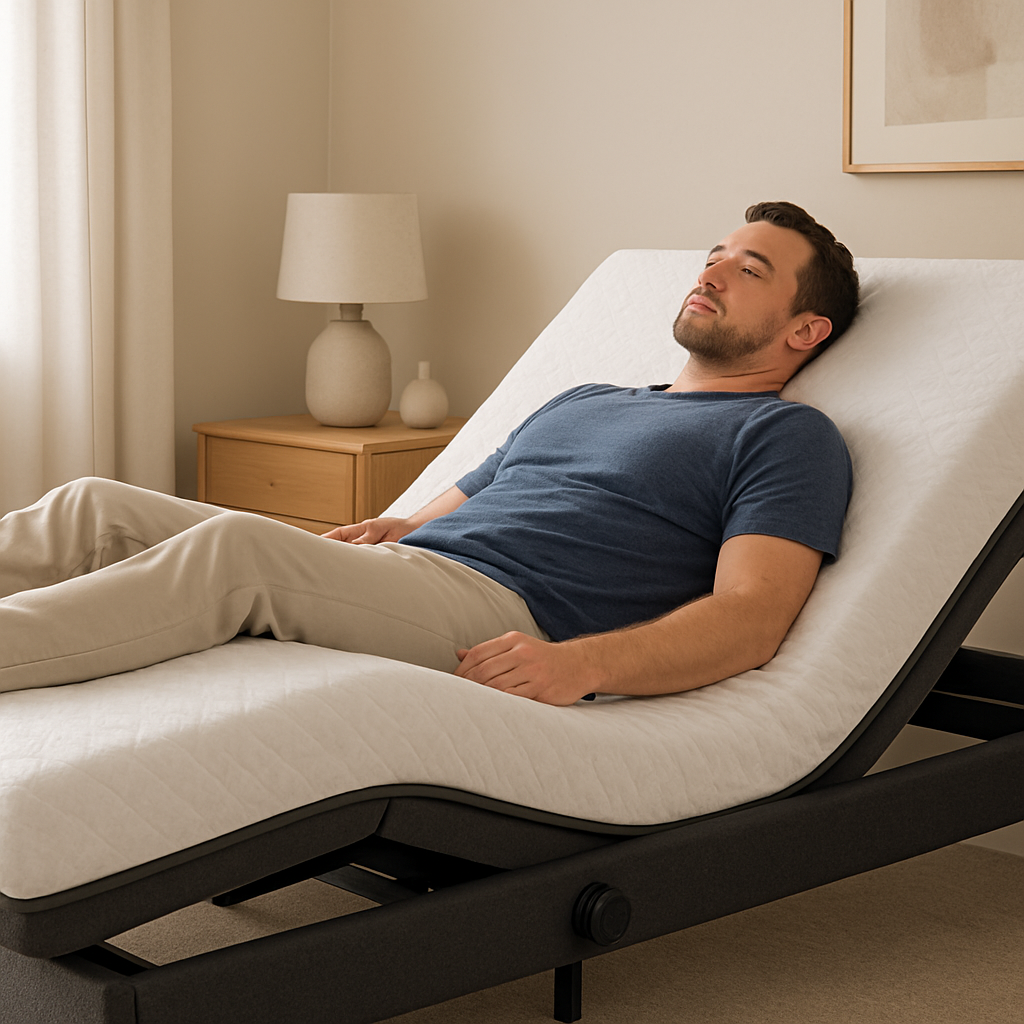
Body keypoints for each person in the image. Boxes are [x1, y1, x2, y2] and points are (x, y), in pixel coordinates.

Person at [0, 201, 857, 706]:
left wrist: (584, 664)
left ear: (803, 329)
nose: (709, 273)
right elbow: (463, 500)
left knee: (236, 553)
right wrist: (396, 525)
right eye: (713, 256)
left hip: (508, 612)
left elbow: (752, 617)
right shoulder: (588, 399)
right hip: (418, 573)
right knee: (94, 503)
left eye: (749, 270)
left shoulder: (784, 436)